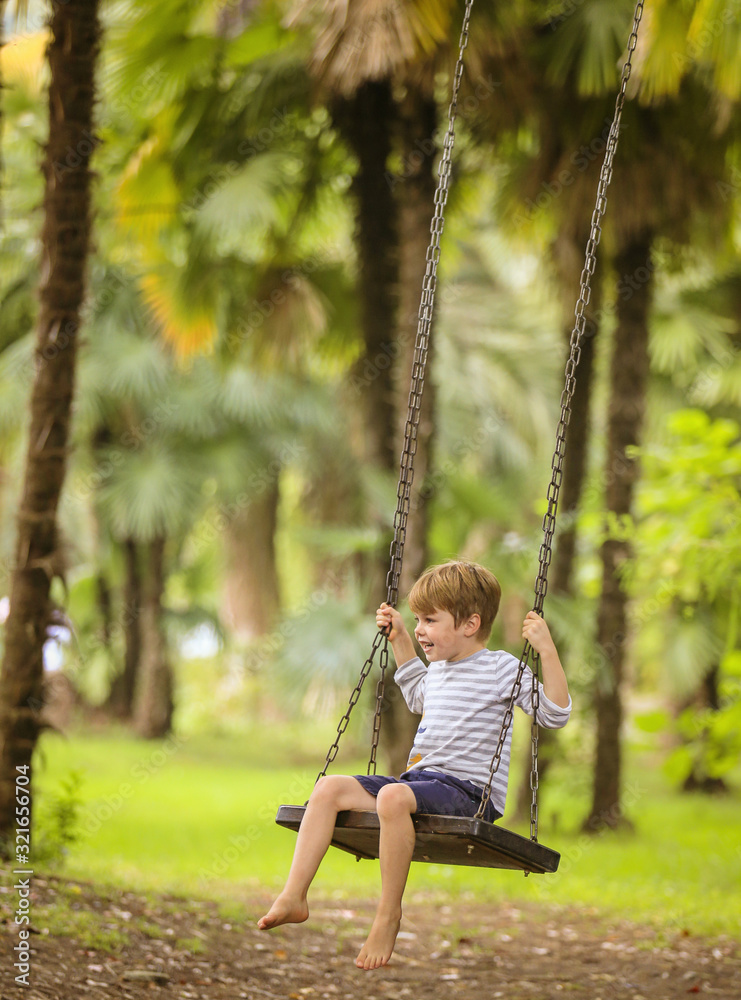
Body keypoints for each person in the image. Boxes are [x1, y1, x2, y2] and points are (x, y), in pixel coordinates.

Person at [257, 561, 571, 970]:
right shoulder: (438, 669)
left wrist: (546, 648)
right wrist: (401, 637)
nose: (421, 628)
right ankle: (294, 895)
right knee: (328, 789)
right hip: (422, 781)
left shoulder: (501, 669)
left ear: (469, 624)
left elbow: (555, 714)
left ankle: (388, 915)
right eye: (418, 620)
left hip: (468, 794)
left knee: (392, 796)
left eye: (429, 620)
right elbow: (417, 694)